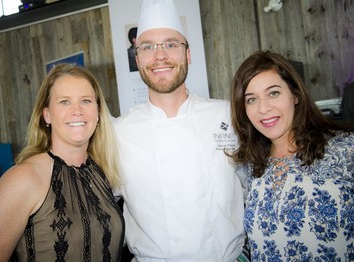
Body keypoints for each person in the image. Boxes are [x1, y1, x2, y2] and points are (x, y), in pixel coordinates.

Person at [113, 0, 246, 261]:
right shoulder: (117, 133)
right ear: (137, 58)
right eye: (148, 47)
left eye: (171, 44)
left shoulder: (229, 115)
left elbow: (257, 184)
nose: (159, 56)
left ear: (188, 54)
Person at [0, 63, 125, 261]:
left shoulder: (103, 172)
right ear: (46, 114)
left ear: (98, 113)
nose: (77, 111)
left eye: (86, 101)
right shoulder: (23, 178)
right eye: (64, 102)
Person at [229, 50, 354, 261]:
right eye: (251, 99)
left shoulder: (344, 149)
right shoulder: (254, 166)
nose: (264, 108)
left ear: (295, 95)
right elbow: (259, 242)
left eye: (273, 93)